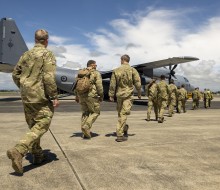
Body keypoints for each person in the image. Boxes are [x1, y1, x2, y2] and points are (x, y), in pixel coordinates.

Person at [7, 29, 59, 174]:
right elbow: (49, 77)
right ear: (46, 41)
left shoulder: (25, 55)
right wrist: (54, 96)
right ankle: (19, 150)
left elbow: (15, 73)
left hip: (26, 96)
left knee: (33, 128)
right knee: (42, 124)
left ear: (35, 40)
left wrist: (24, 86)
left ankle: (38, 156)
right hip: (40, 97)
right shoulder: (48, 54)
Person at [109, 54, 141, 142]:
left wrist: (111, 95)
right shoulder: (133, 70)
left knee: (120, 113)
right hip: (128, 95)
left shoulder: (116, 70)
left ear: (122, 60)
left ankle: (124, 128)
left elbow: (112, 84)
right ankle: (119, 134)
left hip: (119, 95)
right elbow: (137, 82)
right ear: (128, 60)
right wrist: (139, 92)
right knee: (123, 113)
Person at [75, 60, 103, 139]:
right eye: (95, 65)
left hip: (81, 95)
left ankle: (84, 132)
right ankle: (87, 126)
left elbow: (76, 85)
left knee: (85, 113)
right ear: (92, 65)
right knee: (96, 112)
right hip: (91, 95)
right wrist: (101, 95)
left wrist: (76, 96)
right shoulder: (95, 73)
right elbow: (99, 85)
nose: (96, 66)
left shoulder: (80, 73)